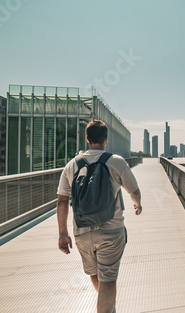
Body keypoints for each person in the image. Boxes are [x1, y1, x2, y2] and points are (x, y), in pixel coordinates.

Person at [56, 120, 142, 313]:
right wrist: (137, 205)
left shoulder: (72, 165)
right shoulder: (116, 161)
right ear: (106, 139)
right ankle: (107, 304)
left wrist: (63, 233)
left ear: (87, 139)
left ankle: (108, 304)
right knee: (108, 279)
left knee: (94, 273)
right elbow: (134, 191)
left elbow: (62, 201)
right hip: (111, 231)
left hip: (82, 232)